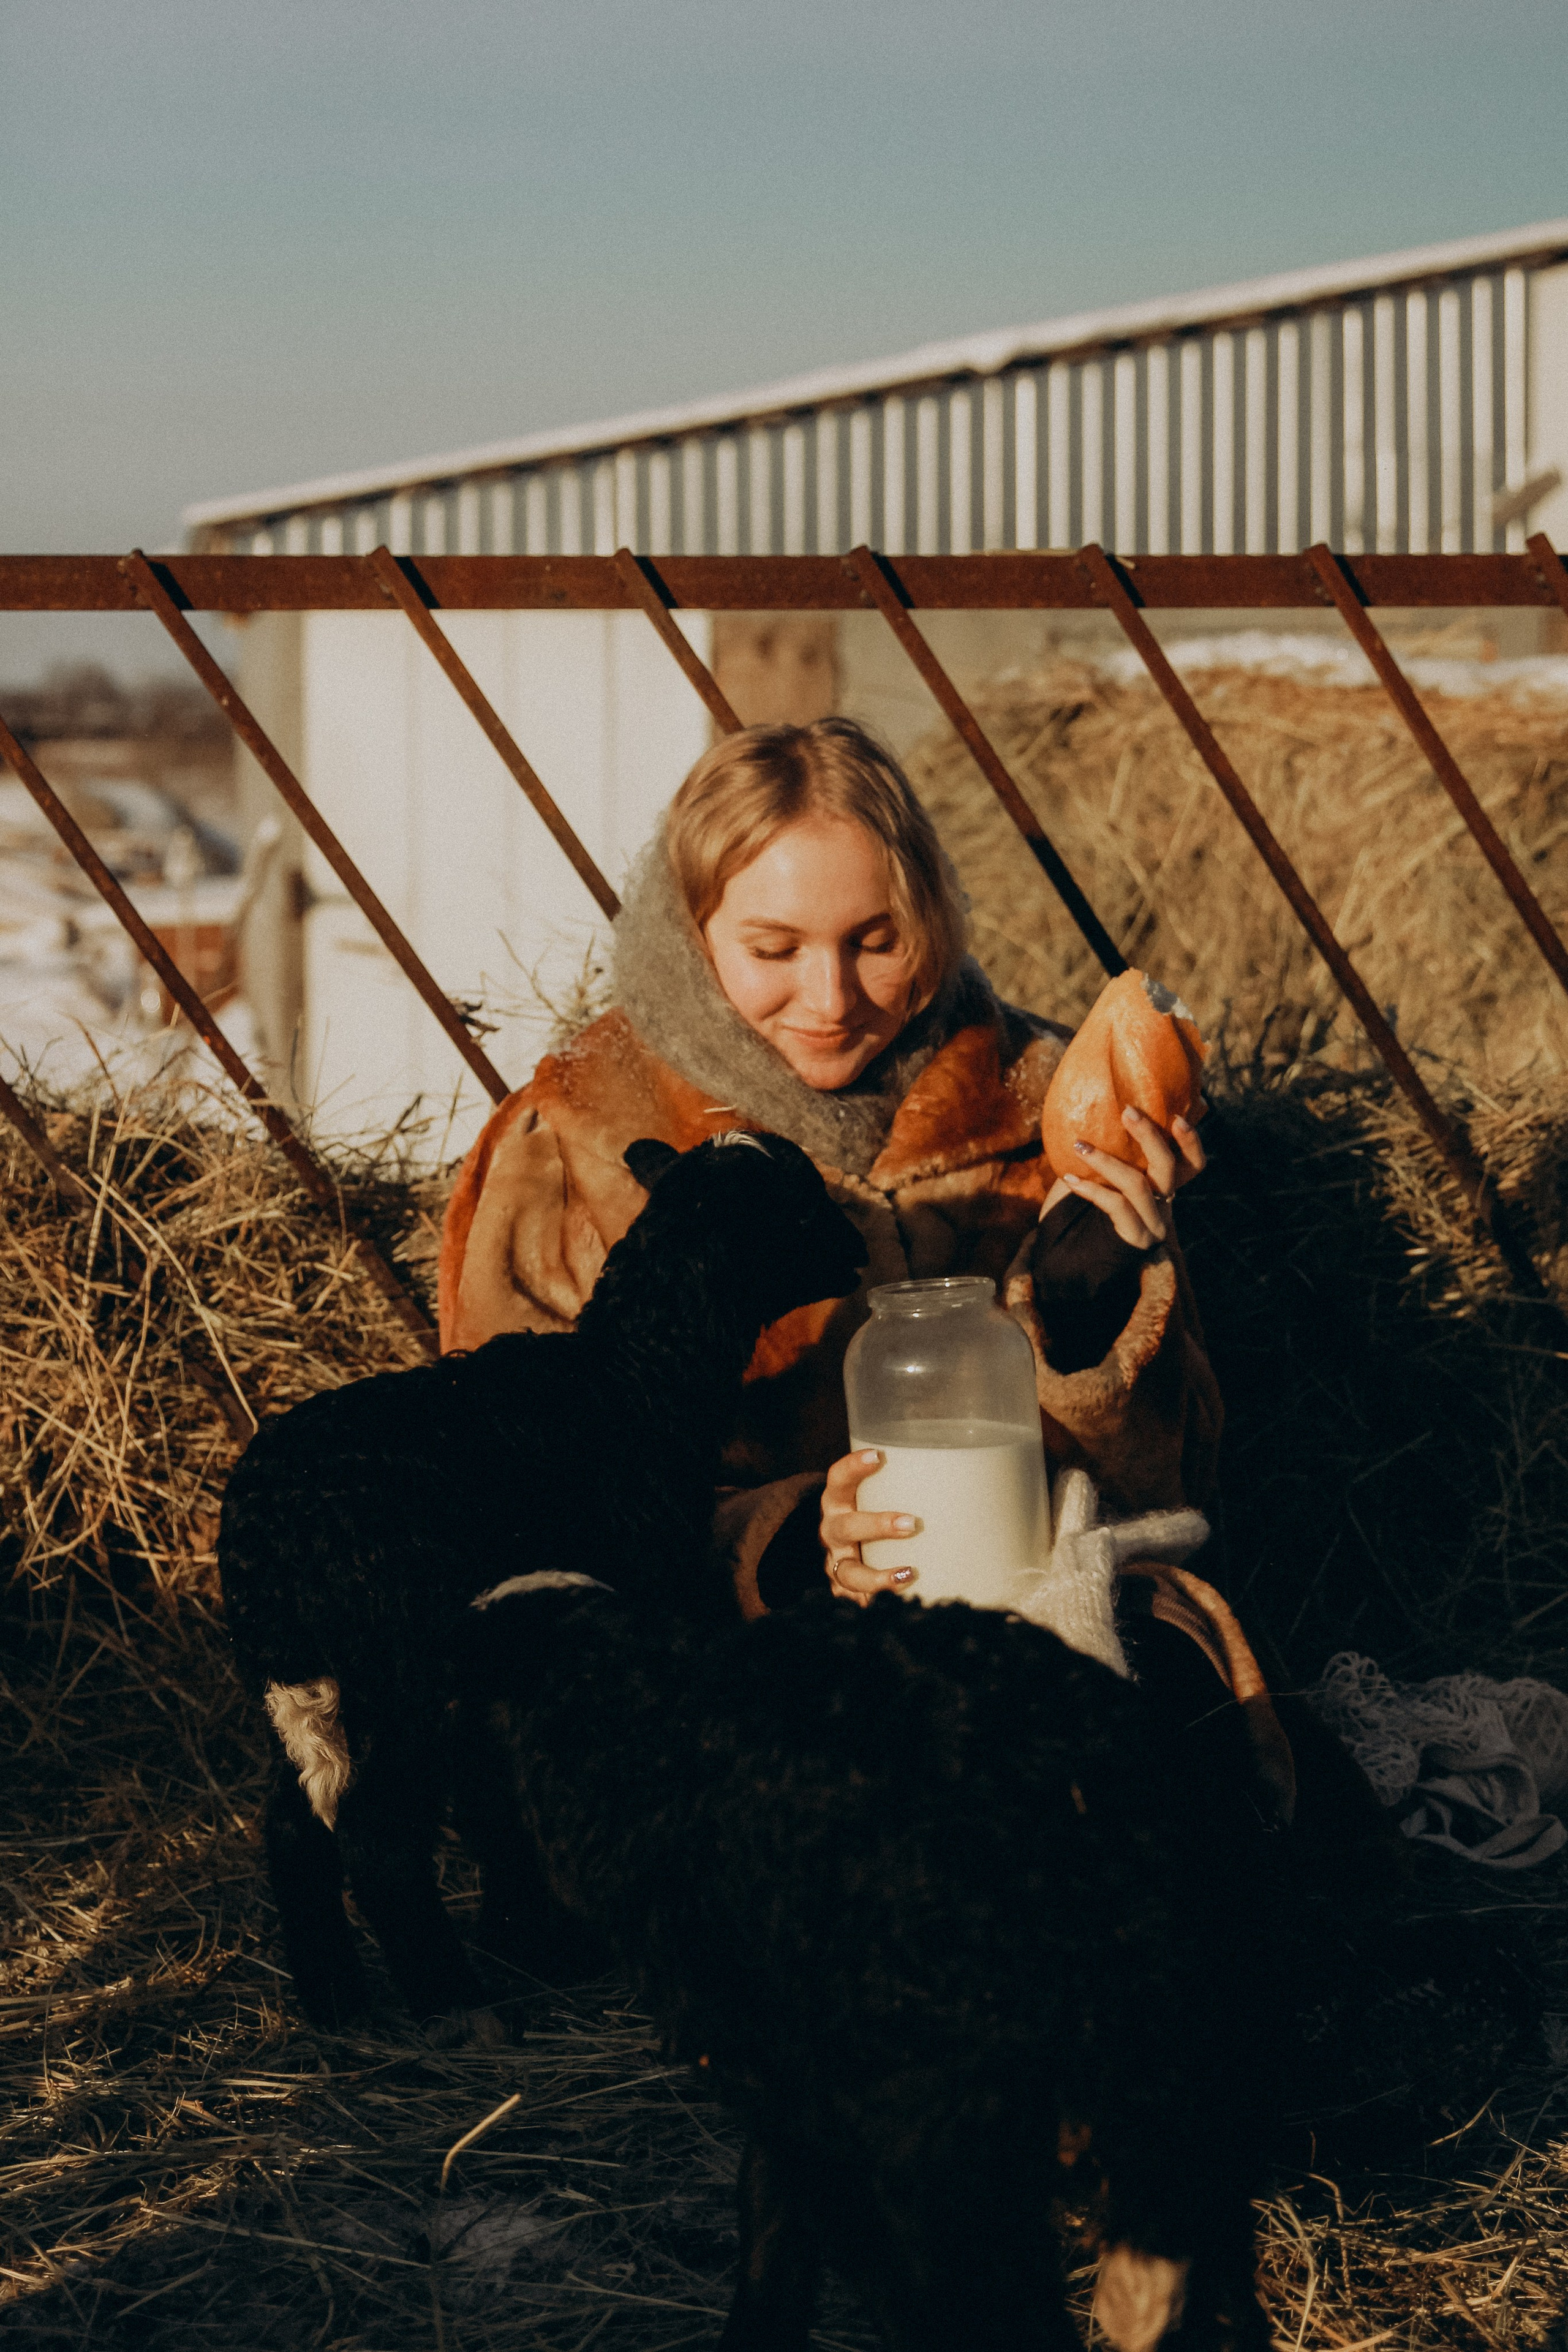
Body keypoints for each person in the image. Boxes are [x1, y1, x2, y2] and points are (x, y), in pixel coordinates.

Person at [439, 715, 1224, 1623]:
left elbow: (1178, 1497)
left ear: (932, 919)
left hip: (1027, 1634)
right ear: (693, 936)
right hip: (721, 1669)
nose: (831, 998)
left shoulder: (1049, 1112)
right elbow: (517, 1493)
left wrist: (1085, 1302)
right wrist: (785, 1543)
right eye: (773, 950)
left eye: (877, 941)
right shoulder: (581, 1140)